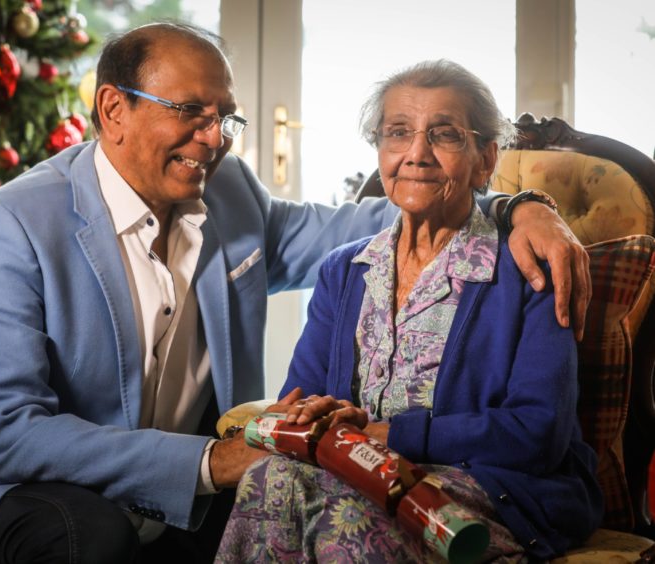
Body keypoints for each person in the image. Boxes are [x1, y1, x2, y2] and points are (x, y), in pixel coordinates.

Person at [0, 23, 591, 563]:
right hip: (12, 489)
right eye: (190, 112)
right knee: (96, 538)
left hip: (177, 492)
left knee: (270, 511)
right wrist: (209, 461)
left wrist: (515, 207)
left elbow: (402, 207)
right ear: (113, 109)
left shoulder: (225, 191)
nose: (215, 139)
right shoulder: (12, 222)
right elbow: (13, 437)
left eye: (225, 116)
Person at [215, 59, 603, 563]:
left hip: (498, 491)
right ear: (380, 149)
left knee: (342, 522)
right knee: (273, 478)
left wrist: (387, 436)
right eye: (398, 133)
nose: (416, 154)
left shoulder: (530, 268)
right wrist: (319, 419)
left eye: (443, 135)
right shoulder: (344, 270)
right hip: (354, 472)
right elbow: (303, 399)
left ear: (486, 160)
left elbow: (538, 434)